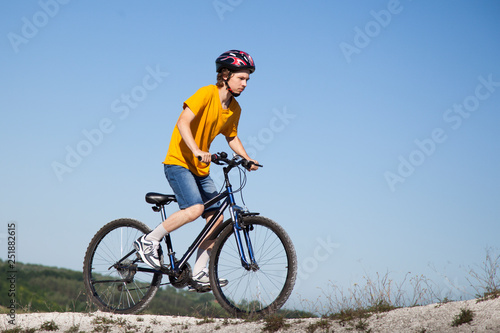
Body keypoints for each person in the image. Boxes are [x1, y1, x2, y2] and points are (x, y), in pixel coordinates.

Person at [134, 50, 259, 290]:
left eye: (247, 80)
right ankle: (149, 240)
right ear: (225, 74)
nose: (245, 84)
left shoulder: (235, 109)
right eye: (241, 78)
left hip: (200, 169)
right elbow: (183, 122)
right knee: (195, 208)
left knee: (217, 219)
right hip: (179, 162)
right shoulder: (206, 93)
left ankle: (200, 271)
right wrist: (196, 150)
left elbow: (232, 137)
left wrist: (247, 158)